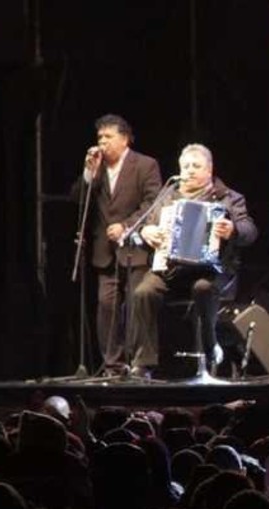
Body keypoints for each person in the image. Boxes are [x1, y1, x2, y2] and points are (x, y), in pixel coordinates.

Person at [128, 144, 258, 378]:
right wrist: (147, 233)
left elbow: (250, 231)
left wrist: (233, 230)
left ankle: (210, 346)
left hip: (212, 270)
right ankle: (144, 363)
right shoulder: (167, 196)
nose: (189, 171)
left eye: (196, 166)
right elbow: (142, 228)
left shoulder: (228, 197)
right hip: (172, 268)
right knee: (143, 292)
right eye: (185, 166)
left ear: (209, 170)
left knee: (203, 288)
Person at [71, 114, 163, 375]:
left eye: (108, 137)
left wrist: (126, 225)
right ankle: (113, 365)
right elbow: (77, 199)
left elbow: (153, 203)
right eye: (99, 137)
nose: (102, 142)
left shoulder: (145, 165)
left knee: (137, 305)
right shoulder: (96, 168)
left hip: (136, 248)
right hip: (105, 251)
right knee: (107, 306)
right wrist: (89, 173)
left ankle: (141, 365)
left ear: (124, 138)